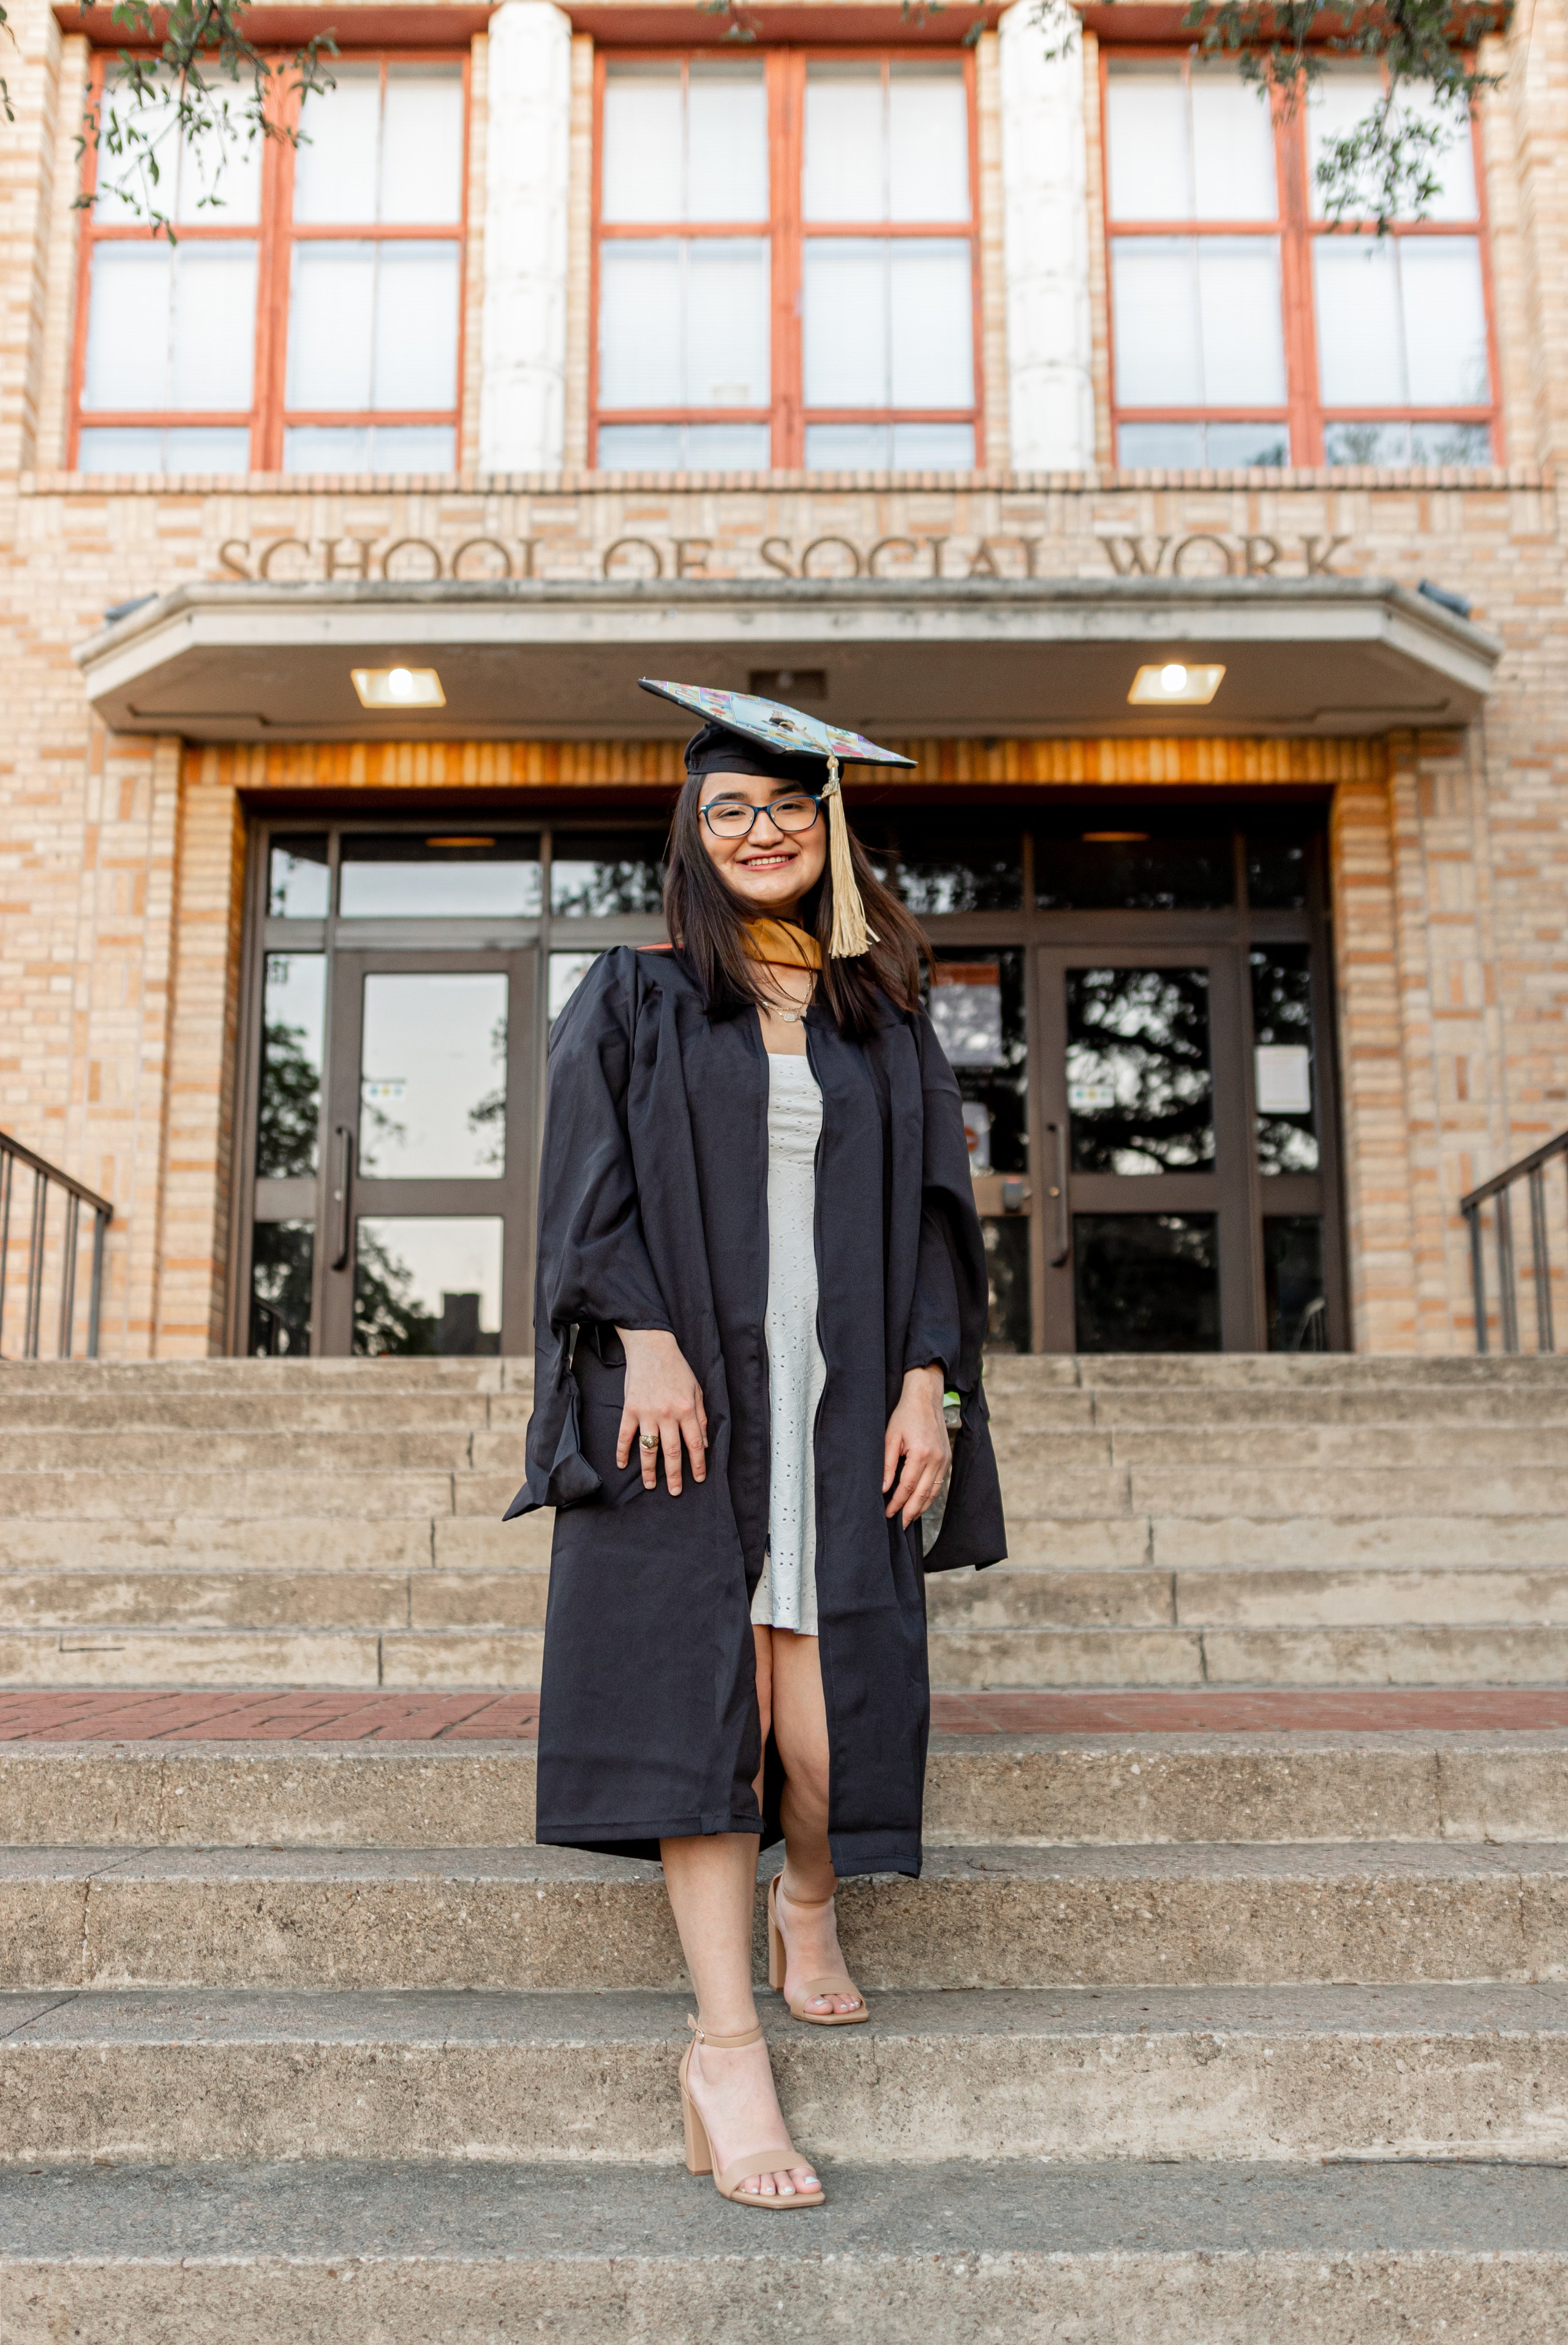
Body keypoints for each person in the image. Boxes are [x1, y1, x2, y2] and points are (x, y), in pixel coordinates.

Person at [507, 685, 1005, 2211]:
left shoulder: (881, 1014)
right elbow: (584, 1191)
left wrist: (928, 1383)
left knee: (824, 1731)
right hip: (684, 1400)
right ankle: (725, 2053)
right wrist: (640, 1342)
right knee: (694, 1715)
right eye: (730, 810)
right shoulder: (639, 992)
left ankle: (810, 1895)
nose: (761, 829)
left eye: (788, 807)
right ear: (694, 835)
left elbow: (933, 1220)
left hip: (840, 1395)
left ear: (830, 826)